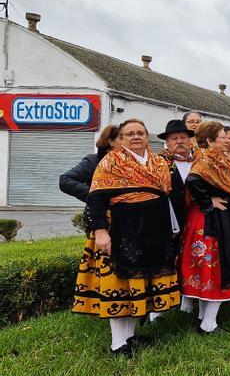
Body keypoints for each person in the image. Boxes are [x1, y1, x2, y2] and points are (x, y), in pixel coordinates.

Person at [72, 119, 179, 355]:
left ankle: (130, 338)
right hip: (122, 229)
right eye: (129, 134)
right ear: (121, 138)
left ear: (147, 135)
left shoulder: (160, 162)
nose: (135, 137)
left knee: (138, 287)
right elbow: (96, 198)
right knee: (120, 286)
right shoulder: (111, 161)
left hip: (154, 231)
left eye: (140, 132)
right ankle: (118, 344)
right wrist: (100, 231)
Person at [180, 121, 230, 334]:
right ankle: (208, 324)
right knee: (214, 268)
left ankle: (204, 317)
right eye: (222, 136)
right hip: (211, 221)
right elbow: (193, 180)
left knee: (212, 268)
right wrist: (208, 202)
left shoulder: (218, 158)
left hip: (217, 219)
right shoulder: (206, 158)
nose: (227, 139)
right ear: (210, 140)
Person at [60, 125, 121, 202]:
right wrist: (94, 195)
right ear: (111, 142)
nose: (127, 141)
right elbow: (65, 180)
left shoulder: (131, 162)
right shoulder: (93, 161)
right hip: (100, 212)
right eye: (121, 138)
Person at [157, 120, 195, 235]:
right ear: (167, 142)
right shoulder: (159, 162)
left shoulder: (200, 159)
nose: (179, 141)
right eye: (174, 138)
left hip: (199, 218)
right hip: (172, 219)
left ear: (189, 140)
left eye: (183, 137)